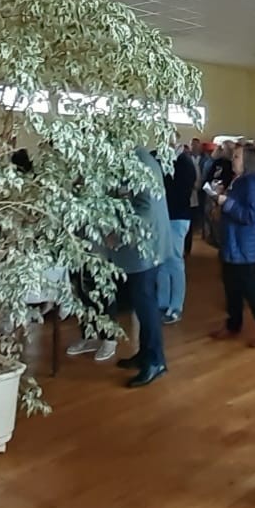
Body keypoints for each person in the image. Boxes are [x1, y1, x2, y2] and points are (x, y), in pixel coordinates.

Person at [111, 146, 173, 388]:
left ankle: (156, 360)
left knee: (146, 304)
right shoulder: (137, 157)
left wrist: (119, 232)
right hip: (145, 245)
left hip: (147, 246)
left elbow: (144, 207)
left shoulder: (139, 162)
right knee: (142, 302)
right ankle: (145, 354)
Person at [210, 142, 255, 347]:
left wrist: (226, 203)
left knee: (250, 288)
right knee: (231, 286)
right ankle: (233, 324)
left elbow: (250, 215)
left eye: (237, 157)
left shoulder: (252, 182)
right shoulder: (240, 180)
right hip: (233, 244)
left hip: (246, 246)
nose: (233, 160)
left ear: (247, 160)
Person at [160, 146, 197, 325]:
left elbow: (178, 192)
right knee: (162, 261)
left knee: (174, 261)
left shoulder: (184, 163)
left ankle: (176, 306)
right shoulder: (163, 159)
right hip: (165, 216)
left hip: (178, 218)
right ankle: (162, 302)